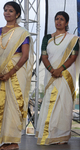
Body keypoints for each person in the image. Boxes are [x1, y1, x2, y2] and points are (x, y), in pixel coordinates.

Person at [35, 11, 80, 145]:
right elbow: (44, 56)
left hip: (65, 75)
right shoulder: (47, 38)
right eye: (57, 19)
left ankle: (61, 136)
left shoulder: (73, 39)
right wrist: (52, 70)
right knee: (49, 101)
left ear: (67, 23)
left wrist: (59, 69)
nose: (59, 21)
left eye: (62, 19)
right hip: (51, 75)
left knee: (64, 104)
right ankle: (48, 134)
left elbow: (73, 57)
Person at [0, 1, 34, 150]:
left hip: (15, 72)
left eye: (11, 11)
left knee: (13, 104)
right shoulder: (0, 30)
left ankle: (13, 142)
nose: (7, 13)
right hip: (1, 71)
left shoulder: (22, 33)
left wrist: (10, 72)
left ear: (17, 14)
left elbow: (25, 56)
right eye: (5, 10)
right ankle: (4, 139)